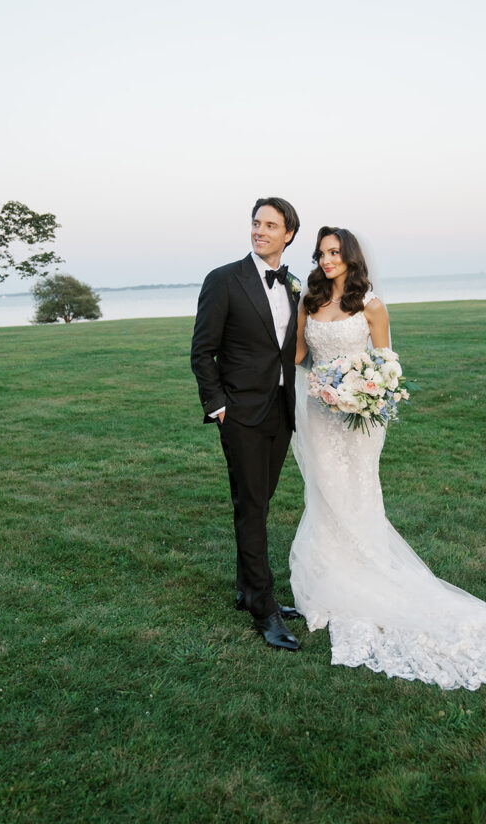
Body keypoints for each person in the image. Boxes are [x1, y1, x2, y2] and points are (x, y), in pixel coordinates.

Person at [290, 226, 486, 687]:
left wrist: (359, 392)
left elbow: (386, 364)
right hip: (318, 415)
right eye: (321, 253)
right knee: (325, 494)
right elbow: (296, 356)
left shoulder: (370, 305)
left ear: (351, 257)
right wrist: (318, 384)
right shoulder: (309, 303)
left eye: (335, 252)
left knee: (357, 496)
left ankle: (365, 573)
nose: (326, 259)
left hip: (358, 421)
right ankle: (330, 580)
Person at [190, 197, 303, 651]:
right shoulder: (224, 280)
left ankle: (245, 586)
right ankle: (264, 607)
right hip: (240, 413)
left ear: (288, 234)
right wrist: (218, 405)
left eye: (270, 225)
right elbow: (202, 350)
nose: (260, 231)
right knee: (253, 506)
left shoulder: (294, 284)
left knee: (259, 499)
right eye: (256, 223)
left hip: (281, 409)